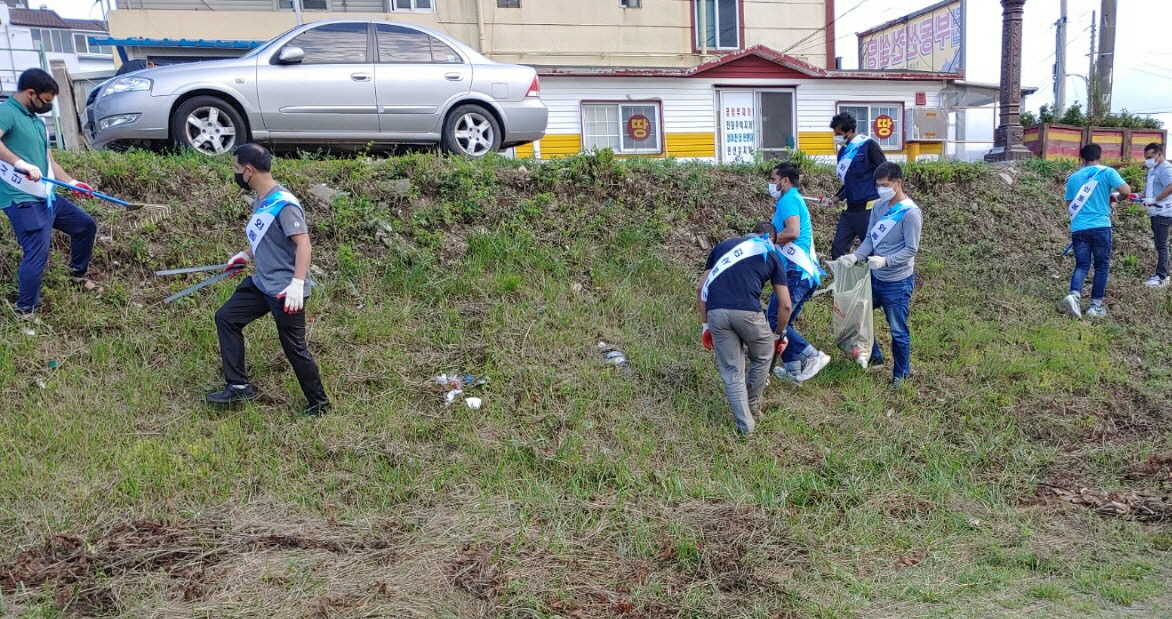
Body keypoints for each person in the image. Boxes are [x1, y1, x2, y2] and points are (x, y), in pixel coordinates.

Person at [207, 143, 330, 417]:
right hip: (262, 283)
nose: (236, 174)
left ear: (249, 171)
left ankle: (319, 404)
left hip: (285, 290)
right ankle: (238, 386)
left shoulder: (284, 204)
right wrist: (245, 255)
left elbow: (304, 245)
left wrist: (298, 284)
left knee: (294, 348)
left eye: (237, 169)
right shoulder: (261, 199)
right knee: (226, 317)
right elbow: (265, 240)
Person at [0, 68, 96, 317]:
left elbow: (48, 161)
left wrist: (72, 182)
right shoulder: (7, 112)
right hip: (22, 198)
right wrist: (20, 164)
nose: (48, 107)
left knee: (85, 226)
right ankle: (25, 310)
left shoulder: (36, 121)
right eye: (46, 101)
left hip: (46, 196)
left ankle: (76, 275)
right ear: (31, 93)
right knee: (37, 253)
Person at [698, 222, 791, 435]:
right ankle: (753, 406)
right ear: (771, 238)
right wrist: (778, 335)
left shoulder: (721, 247)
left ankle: (745, 425)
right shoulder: (771, 252)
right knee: (763, 355)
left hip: (716, 313)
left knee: (732, 371)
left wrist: (705, 325)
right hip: (749, 313)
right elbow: (785, 304)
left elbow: (701, 288)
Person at [836, 162, 921, 388]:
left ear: (898, 183)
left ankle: (900, 374)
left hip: (897, 281)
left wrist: (886, 261)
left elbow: (911, 249)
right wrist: (856, 256)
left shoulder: (910, 213)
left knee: (898, 330)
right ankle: (875, 356)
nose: (881, 189)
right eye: (878, 185)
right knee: (860, 313)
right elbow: (871, 239)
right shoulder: (879, 207)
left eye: (885, 185)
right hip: (875, 278)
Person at [765, 162, 830, 384]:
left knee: (774, 319)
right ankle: (793, 370)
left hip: (795, 272)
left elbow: (791, 232)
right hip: (804, 273)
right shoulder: (792, 200)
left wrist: (765, 240)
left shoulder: (788, 200)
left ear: (785, 181)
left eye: (773, 180)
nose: (770, 184)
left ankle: (813, 355)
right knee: (785, 322)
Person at [1060, 143, 1130, 318]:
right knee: (1101, 266)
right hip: (1100, 226)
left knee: (1082, 265)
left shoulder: (1074, 178)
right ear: (1100, 156)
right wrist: (1116, 198)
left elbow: (1070, 205)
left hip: (1079, 228)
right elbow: (1126, 191)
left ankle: (1074, 296)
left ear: (1082, 158)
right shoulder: (1107, 172)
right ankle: (1095, 306)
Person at [829, 112, 887, 259]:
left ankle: (874, 280)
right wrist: (836, 198)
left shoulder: (869, 145)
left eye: (839, 133)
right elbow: (849, 182)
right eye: (835, 133)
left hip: (868, 209)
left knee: (871, 251)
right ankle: (843, 281)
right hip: (850, 209)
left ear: (850, 131)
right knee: (838, 248)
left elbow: (885, 172)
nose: (836, 137)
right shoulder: (842, 152)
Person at [1142, 142, 1172, 288]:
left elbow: (1171, 186)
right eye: (1146, 157)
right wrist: (1136, 195)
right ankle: (1166, 274)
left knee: (1162, 245)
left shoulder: (1165, 168)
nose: (1148, 160)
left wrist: (1155, 200)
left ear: (1159, 154)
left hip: (1164, 211)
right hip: (1155, 212)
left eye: (1151, 156)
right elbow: (1148, 191)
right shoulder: (1153, 169)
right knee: (1161, 244)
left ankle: (1160, 276)